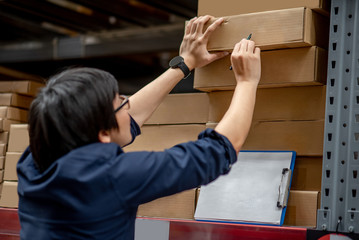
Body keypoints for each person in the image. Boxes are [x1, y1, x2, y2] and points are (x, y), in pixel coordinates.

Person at [17, 15, 261, 239]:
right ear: (102, 133)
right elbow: (217, 151)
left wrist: (184, 64)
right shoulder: (110, 177)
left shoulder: (33, 163)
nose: (128, 104)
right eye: (121, 103)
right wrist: (247, 81)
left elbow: (127, 118)